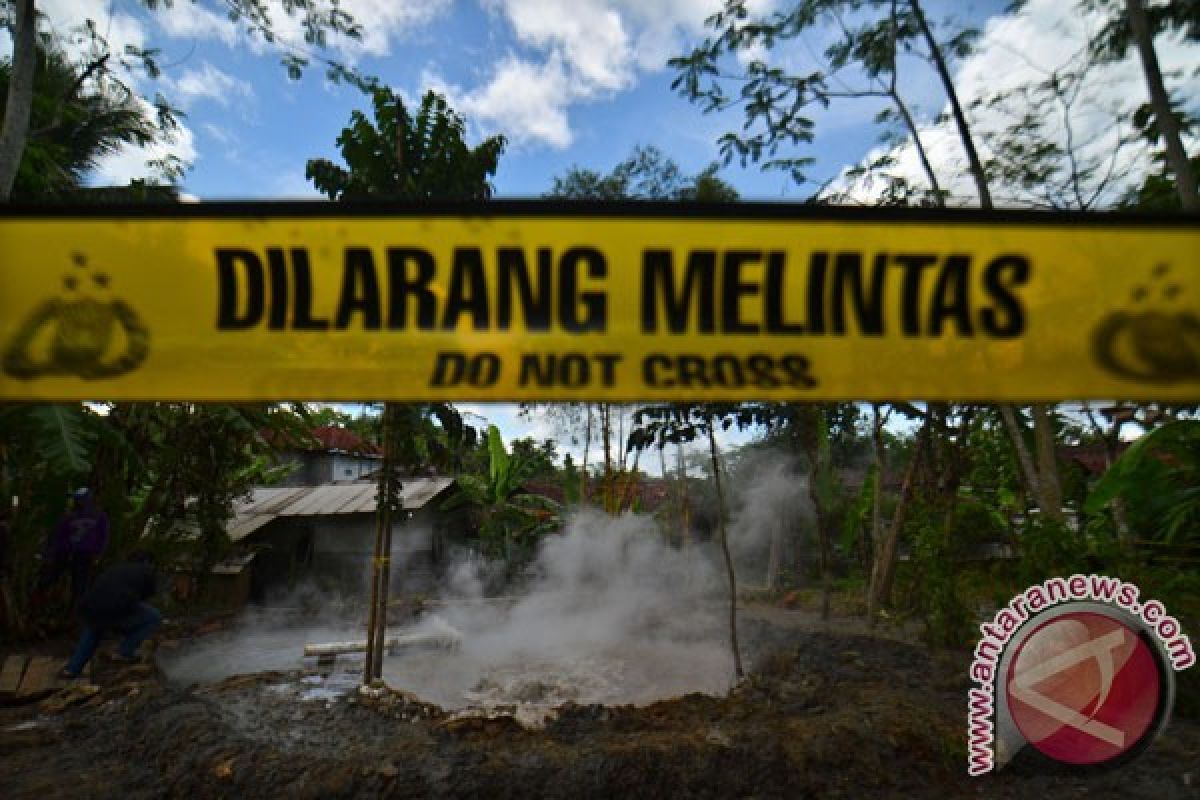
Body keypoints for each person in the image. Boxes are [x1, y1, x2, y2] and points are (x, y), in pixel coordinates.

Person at [61, 553, 161, 680]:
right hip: (117, 605)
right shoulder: (147, 571)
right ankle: (124, 652)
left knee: (94, 630)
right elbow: (146, 596)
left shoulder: (116, 568)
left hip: (91, 605)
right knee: (154, 617)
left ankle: (72, 669)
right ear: (148, 562)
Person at [40, 487, 110, 608]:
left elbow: (103, 536)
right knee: (51, 578)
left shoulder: (99, 516)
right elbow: (59, 535)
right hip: (65, 552)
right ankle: (39, 601)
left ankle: (75, 612)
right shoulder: (70, 516)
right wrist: (50, 552)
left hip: (84, 554)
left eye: (80, 499)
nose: (77, 502)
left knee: (80, 584)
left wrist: (98, 554)